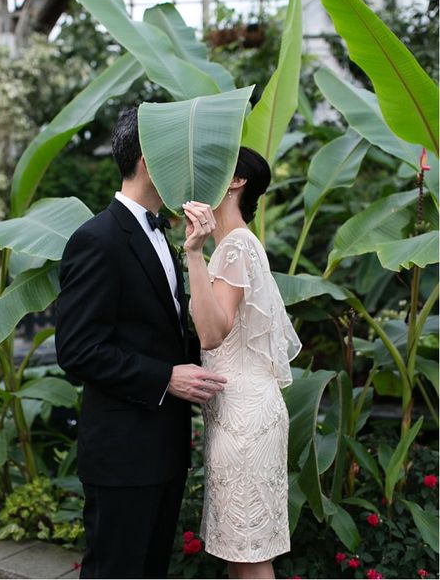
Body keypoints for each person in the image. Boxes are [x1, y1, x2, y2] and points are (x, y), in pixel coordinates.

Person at [55, 107, 227, 579]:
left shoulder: (168, 236)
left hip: (165, 449)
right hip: (122, 454)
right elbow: (77, 348)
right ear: (149, 160)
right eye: (173, 153)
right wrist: (165, 377)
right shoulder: (97, 238)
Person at [182, 147, 302, 580]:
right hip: (241, 413)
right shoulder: (238, 245)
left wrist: (193, 254)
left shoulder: (233, 246)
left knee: (248, 553)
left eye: (215, 169)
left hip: (246, 420)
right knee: (241, 549)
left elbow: (213, 333)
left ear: (236, 182)